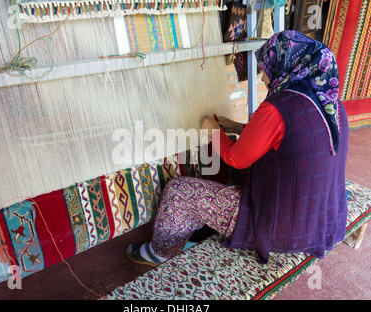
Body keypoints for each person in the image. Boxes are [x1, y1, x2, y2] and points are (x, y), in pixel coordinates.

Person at [126, 30, 349, 266]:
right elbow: (288, 137)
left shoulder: (279, 105)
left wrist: (210, 128)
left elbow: (236, 157)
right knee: (240, 175)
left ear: (286, 65)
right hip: (322, 219)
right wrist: (237, 127)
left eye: (265, 69)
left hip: (282, 228)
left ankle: (159, 253)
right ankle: (201, 226)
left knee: (180, 191)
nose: (263, 79)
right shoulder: (331, 103)